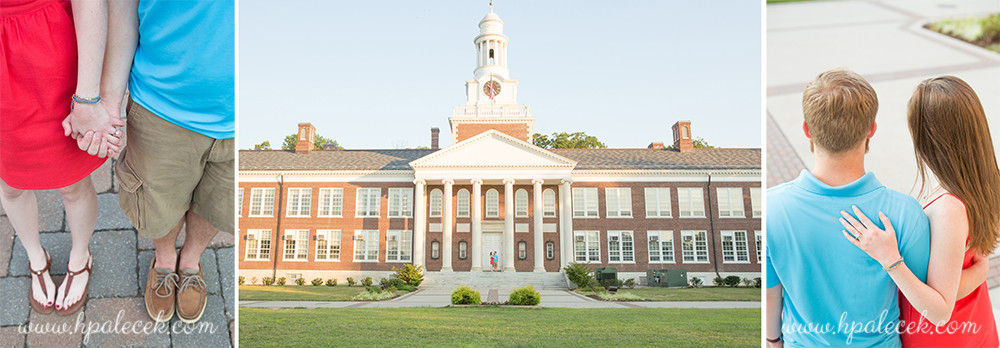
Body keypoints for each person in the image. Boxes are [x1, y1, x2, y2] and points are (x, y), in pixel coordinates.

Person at [765, 68, 931, 347]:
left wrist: (772, 340)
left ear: (807, 129)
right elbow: (921, 306)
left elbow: (771, 295)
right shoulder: (906, 213)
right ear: (871, 130)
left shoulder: (772, 208)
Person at [838, 76, 999, 346]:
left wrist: (890, 259)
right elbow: (974, 261)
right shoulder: (985, 181)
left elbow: (939, 310)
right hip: (975, 324)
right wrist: (980, 272)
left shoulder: (949, 208)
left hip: (946, 338)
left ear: (929, 137)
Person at [102, 0, 234, 323]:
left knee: (218, 202)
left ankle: (190, 261)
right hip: (164, 103)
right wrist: (108, 100)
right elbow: (122, 10)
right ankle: (164, 259)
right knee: (158, 204)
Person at [0, 0, 123, 316]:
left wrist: (87, 97)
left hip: (49, 55)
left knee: (72, 183)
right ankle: (36, 260)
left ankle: (80, 259)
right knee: (11, 184)